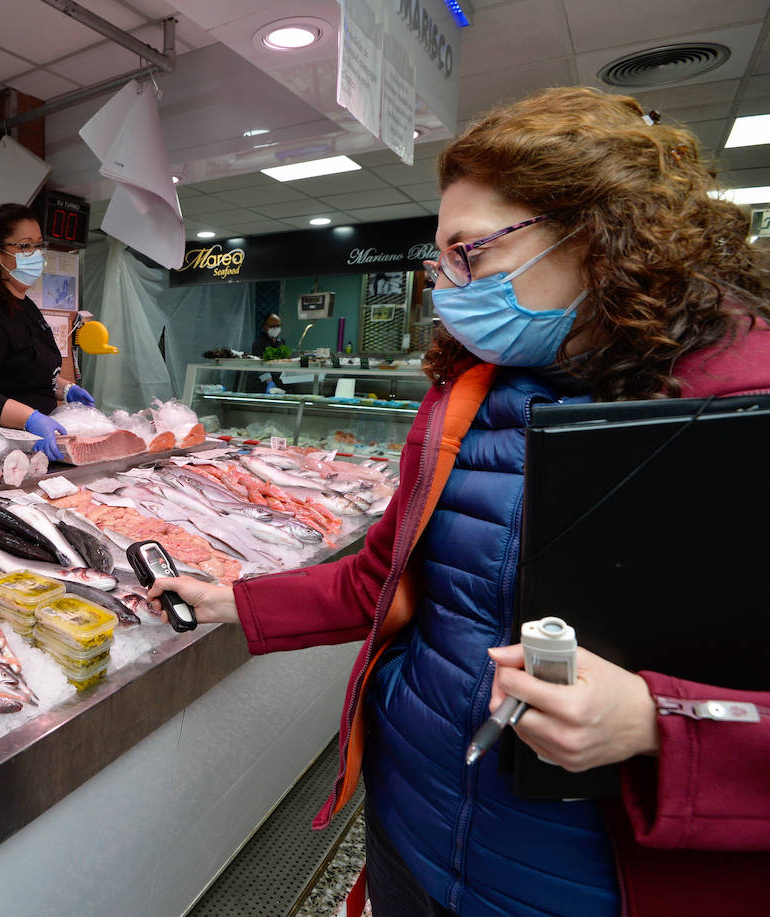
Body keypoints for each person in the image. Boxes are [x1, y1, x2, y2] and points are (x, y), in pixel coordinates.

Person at [151, 87, 770, 917]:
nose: (450, 286)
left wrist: (660, 724)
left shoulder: (744, 407)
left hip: (591, 886)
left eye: (469, 253)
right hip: (413, 831)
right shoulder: (464, 399)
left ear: (598, 232)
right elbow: (385, 582)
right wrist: (227, 598)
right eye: (442, 261)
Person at [0, 203, 93, 461]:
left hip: (29, 453)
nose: (35, 254)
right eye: (24, 246)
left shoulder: (26, 307)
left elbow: (25, 371)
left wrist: (65, 389)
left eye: (38, 245)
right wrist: (30, 418)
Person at [250, 313, 286, 393]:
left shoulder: (281, 342)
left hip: (279, 381)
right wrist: (269, 382)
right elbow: (258, 364)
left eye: (278, 326)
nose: (276, 328)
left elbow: (283, 361)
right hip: (263, 383)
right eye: (273, 326)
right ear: (265, 326)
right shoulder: (258, 343)